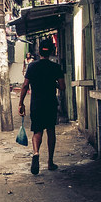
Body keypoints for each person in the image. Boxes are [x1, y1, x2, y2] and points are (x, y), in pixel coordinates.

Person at [18, 39, 65, 174]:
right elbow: (62, 87)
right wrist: (53, 83)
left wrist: (21, 103)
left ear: (39, 52)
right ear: (51, 52)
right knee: (50, 131)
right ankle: (50, 162)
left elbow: (25, 85)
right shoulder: (55, 67)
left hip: (36, 104)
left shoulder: (32, 66)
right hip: (50, 103)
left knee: (37, 131)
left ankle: (36, 152)